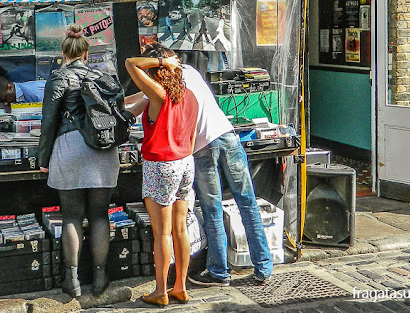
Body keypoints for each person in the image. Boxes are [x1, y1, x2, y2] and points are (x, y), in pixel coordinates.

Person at [127, 54, 273, 288]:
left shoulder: (166, 82)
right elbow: (141, 96)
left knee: (212, 209)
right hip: (228, 137)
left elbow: (138, 99)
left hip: (202, 148)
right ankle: (263, 266)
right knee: (247, 202)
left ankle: (219, 272)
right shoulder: (189, 72)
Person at [38, 24, 121, 298]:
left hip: (69, 148)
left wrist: (43, 158)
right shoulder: (102, 75)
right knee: (99, 215)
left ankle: (71, 281)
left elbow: (49, 121)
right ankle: (100, 277)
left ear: (64, 52)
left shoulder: (58, 77)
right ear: (86, 54)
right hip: (103, 149)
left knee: (71, 215)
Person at [125, 45, 199, 307]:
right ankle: (180, 286)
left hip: (161, 165)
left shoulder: (159, 94)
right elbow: (190, 140)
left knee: (162, 234)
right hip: (185, 163)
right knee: (181, 228)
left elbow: (130, 63)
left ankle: (160, 290)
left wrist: (161, 60)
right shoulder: (190, 96)